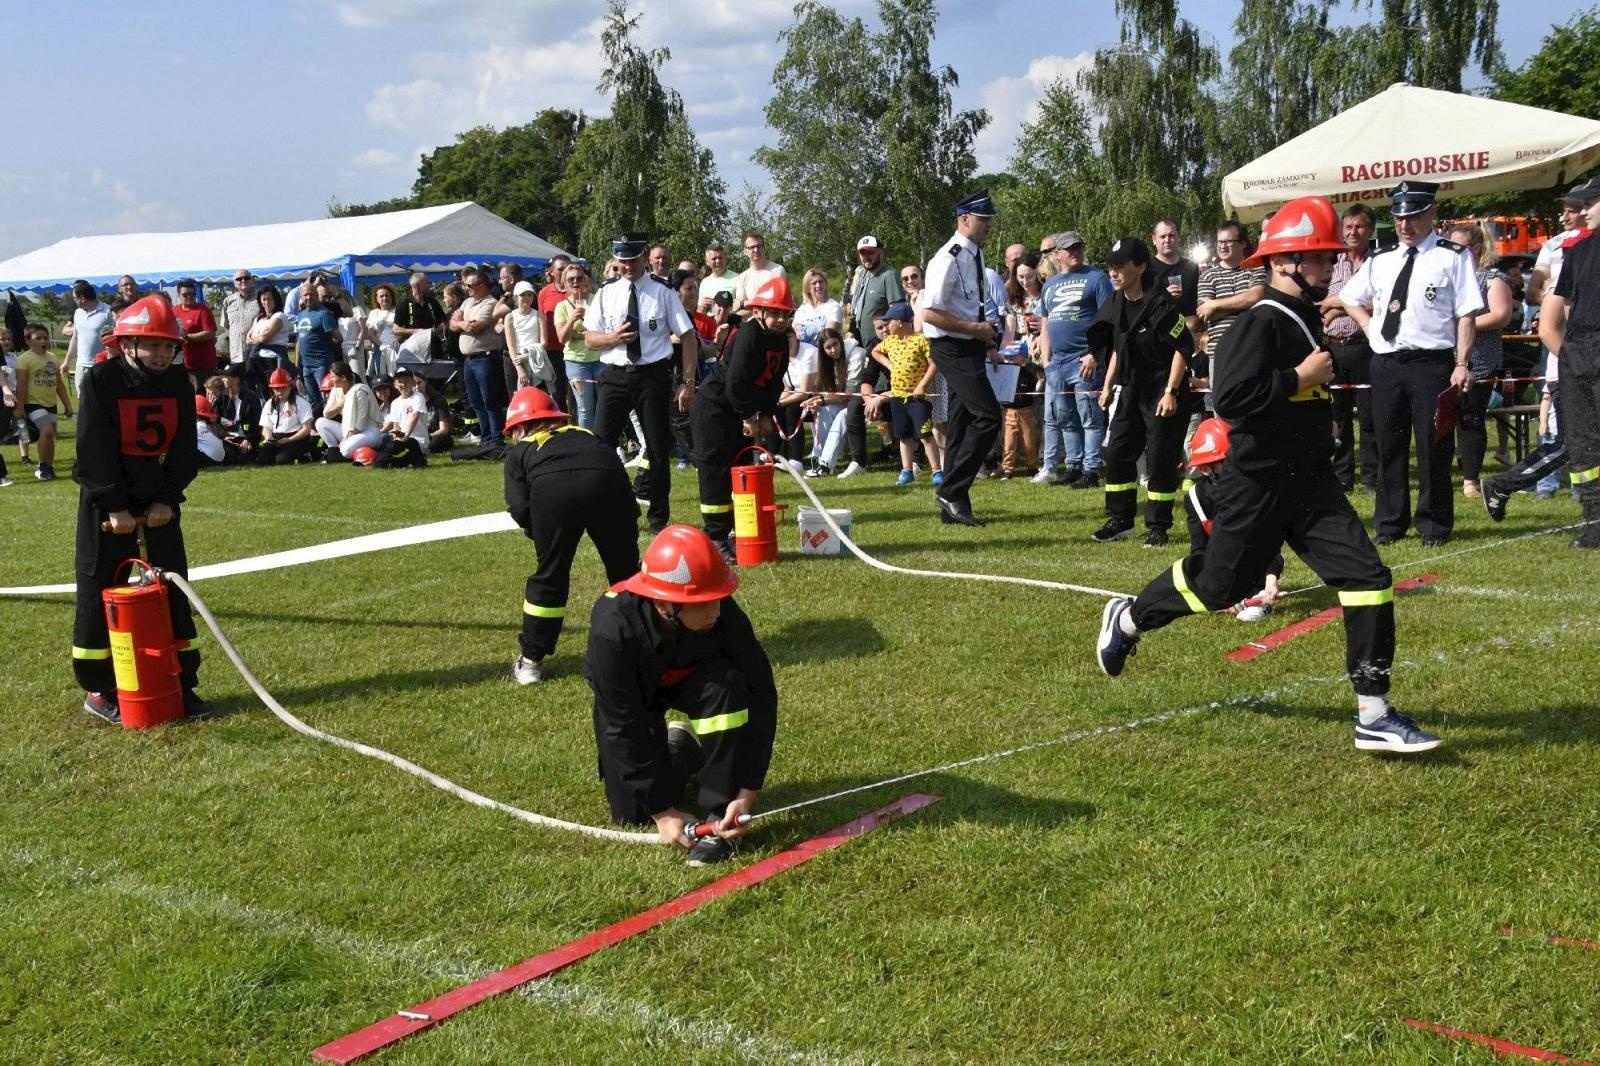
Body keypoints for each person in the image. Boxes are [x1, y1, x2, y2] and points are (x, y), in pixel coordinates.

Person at [1096, 195, 1441, 755]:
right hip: (1257, 483)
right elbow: (1230, 398)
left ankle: (1374, 714)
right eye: (1319, 257)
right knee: (1218, 587)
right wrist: (1298, 375)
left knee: (1369, 579)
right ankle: (1129, 619)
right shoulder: (1259, 321)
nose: (1330, 266)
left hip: (1309, 481)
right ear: (1285, 262)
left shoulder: (1304, 314)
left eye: (1329, 256)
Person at [584, 524, 778, 865]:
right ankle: (681, 750)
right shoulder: (612, 631)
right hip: (636, 699)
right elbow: (622, 725)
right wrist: (662, 812)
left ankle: (720, 815)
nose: (715, 611)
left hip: (699, 683)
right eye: (702, 605)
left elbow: (761, 694)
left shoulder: (722, 612)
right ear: (665, 603)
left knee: (728, 686)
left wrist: (747, 791)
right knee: (631, 812)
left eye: (717, 599)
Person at [72, 295, 211, 724]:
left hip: (158, 496)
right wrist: (114, 507)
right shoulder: (101, 382)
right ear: (126, 343)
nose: (161, 354)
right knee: (101, 589)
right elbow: (92, 451)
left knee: (173, 586)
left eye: (168, 346)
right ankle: (101, 689)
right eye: (151, 345)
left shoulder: (177, 383)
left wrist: (165, 499)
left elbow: (186, 450)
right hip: (105, 501)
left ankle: (181, 683)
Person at [1339, 180, 1484, 547]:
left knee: (1433, 444)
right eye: (1399, 217)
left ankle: (1433, 524)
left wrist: (1462, 363)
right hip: (1387, 362)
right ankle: (1390, 522)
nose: (1405, 225)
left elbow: (1467, 313)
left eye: (1414, 216)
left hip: (1431, 362)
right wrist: (1368, 324)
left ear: (1431, 214)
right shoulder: (1381, 258)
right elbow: (1349, 296)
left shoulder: (1452, 256)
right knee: (1389, 443)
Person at [502, 386, 640, 684]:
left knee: (550, 576)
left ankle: (531, 661)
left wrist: (538, 531)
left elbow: (518, 505)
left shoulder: (520, 450)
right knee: (626, 573)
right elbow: (619, 476)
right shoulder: (588, 435)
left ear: (522, 426)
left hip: (554, 492)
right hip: (609, 486)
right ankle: (642, 643)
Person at [585, 233, 700, 535]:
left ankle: (658, 519)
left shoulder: (662, 292)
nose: (628, 266)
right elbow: (590, 338)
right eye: (622, 261)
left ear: (645, 257)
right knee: (602, 447)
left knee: (658, 450)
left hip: (653, 377)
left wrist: (687, 381)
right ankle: (612, 509)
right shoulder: (606, 292)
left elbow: (688, 336)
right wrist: (613, 338)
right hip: (615, 376)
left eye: (633, 260)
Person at [1089, 236, 1195, 547]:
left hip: (1162, 388)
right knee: (1119, 451)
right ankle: (1120, 520)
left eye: (1120, 267)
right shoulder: (1117, 301)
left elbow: (1182, 348)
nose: (1113, 272)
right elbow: (1119, 349)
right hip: (1132, 388)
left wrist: (1172, 392)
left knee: (1160, 458)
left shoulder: (1161, 303)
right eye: (1111, 267)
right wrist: (1107, 386)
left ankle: (1158, 526)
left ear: (1141, 267)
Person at [1514, 175, 1600, 547]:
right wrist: (1569, 354)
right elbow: (1556, 307)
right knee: (1584, 445)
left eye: (1589, 203)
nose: (1581, 211)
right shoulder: (1577, 252)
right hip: (1579, 353)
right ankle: (1594, 523)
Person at [689, 278, 795, 560]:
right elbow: (735, 383)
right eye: (775, 313)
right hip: (715, 408)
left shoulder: (781, 340)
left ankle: (739, 533)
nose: (781, 319)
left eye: (785, 314)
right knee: (715, 472)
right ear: (759, 311)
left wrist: (767, 415)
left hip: (740, 409)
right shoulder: (749, 334)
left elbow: (775, 384)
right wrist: (749, 416)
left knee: (739, 471)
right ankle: (715, 538)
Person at [923, 190, 1003, 527]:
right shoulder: (949, 256)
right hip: (952, 346)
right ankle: (952, 490)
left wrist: (983, 334)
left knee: (961, 424)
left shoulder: (974, 253)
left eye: (989, 220)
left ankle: (954, 506)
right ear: (964, 219)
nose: (988, 226)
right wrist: (975, 328)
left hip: (969, 344)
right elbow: (929, 312)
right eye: (983, 220)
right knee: (988, 417)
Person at [1180, 417, 1283, 623]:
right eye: (1224, 464)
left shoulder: (1253, 491)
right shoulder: (1196, 499)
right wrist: (1221, 591)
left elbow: (1267, 542)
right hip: (1220, 565)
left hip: (1255, 564)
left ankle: (1257, 592)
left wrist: (1271, 580)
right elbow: (1200, 550)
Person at [1443, 222, 1516, 499]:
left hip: (1479, 362)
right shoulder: (1448, 277)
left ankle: (1470, 479)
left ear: (1476, 247)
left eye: (1459, 246)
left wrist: (1463, 324)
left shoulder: (1492, 278)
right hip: (1444, 359)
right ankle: (1445, 473)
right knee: (1444, 420)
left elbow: (1500, 315)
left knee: (1471, 420)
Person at [1036, 232, 1114, 488]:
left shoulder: (1097, 278)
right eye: (1069, 249)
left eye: (1078, 247)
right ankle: (1073, 465)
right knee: (1065, 417)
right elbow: (1045, 325)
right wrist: (1046, 361)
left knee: (1090, 416)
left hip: (1084, 360)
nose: (1075, 252)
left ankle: (1091, 470)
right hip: (1057, 363)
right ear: (1057, 254)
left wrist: (1095, 354)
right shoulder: (1049, 285)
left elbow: (1108, 321)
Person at [1320, 204, 1380, 494]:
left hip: (1365, 347)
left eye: (1359, 227)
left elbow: (1380, 302)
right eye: (1348, 227)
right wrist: (1345, 305)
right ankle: (1343, 477)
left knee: (1370, 417)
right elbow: (1321, 301)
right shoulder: (1331, 260)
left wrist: (1339, 306)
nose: (1353, 232)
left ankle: (1370, 478)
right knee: (1338, 417)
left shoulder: (1379, 262)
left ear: (1370, 230)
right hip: (1333, 348)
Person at [1194, 220, 1266, 404]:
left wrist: (1216, 304)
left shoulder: (1256, 269)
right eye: (1219, 242)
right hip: (1219, 353)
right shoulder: (1207, 275)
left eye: (1228, 241)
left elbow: (1256, 297)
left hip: (1251, 350)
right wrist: (1243, 304)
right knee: (1223, 409)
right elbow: (1205, 313)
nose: (1222, 246)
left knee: (1253, 408)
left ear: (1242, 243)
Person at [876, 301, 941, 486]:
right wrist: (889, 365)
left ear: (900, 322)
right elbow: (875, 351)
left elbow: (934, 363)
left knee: (925, 434)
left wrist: (922, 385)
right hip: (897, 396)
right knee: (903, 436)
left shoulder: (921, 340)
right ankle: (906, 470)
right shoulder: (890, 342)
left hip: (918, 398)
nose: (886, 326)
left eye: (889, 322)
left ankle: (937, 471)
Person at [452, 265, 509, 445]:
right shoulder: (467, 303)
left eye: (470, 286)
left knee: (489, 400)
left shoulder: (490, 303)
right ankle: (485, 438)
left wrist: (460, 322)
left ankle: (496, 437)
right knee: (476, 401)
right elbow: (452, 324)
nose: (466, 289)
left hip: (485, 358)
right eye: (465, 285)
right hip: (469, 360)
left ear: (483, 285)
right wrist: (461, 323)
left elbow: (475, 327)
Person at [14, 322, 74, 481]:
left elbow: (59, 384)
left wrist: (67, 404)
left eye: (45, 338)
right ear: (28, 341)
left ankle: (49, 466)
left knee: (50, 436)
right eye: (38, 338)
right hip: (33, 403)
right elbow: (21, 385)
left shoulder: (52, 357)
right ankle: (42, 467)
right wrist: (19, 407)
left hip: (50, 403)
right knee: (46, 431)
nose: (43, 341)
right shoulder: (24, 359)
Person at [555, 263, 599, 429]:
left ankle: (606, 443)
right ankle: (587, 447)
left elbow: (604, 329)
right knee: (585, 409)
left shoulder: (596, 300)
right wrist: (572, 319)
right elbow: (562, 338)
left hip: (599, 358)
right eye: (571, 279)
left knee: (603, 405)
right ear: (565, 284)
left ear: (585, 280)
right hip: (576, 362)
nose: (576, 282)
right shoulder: (562, 307)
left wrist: (579, 332)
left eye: (579, 278)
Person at [804, 328, 853, 477]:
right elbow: (827, 395)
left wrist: (821, 400)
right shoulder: (826, 365)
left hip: (858, 404)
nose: (833, 350)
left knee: (842, 416)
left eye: (835, 345)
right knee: (824, 410)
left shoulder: (854, 355)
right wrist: (815, 403)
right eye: (828, 347)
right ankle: (818, 458)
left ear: (841, 342)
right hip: (842, 402)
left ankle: (825, 464)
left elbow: (848, 394)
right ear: (823, 350)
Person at [291, 280, 342, 419]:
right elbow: (300, 341)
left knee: (328, 399)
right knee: (313, 401)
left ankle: (331, 425)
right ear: (301, 298)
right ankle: (317, 427)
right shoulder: (301, 315)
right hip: (306, 366)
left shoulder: (324, 313)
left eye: (312, 294)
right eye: (305, 295)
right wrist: (297, 365)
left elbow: (338, 338)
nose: (309, 297)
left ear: (317, 295)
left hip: (322, 364)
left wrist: (323, 345)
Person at [314, 360, 383, 462]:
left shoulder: (360, 390)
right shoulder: (336, 390)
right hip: (348, 431)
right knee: (320, 422)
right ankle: (333, 451)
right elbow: (327, 414)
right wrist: (342, 403)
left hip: (368, 432)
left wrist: (346, 440)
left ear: (343, 378)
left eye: (333, 377)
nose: (331, 380)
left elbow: (360, 424)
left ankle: (348, 454)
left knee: (345, 449)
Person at [1150, 217, 1201, 337]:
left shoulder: (1191, 267)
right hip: (1159, 335)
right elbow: (1140, 304)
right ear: (1154, 239)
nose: (1167, 240)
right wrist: (1164, 296)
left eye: (1171, 235)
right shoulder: (1146, 270)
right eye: (1162, 236)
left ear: (1178, 237)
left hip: (1190, 333)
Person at [255, 367, 316, 465]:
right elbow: (266, 427)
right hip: (275, 437)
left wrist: (289, 440)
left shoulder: (301, 403)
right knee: (262, 460)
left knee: (282, 461)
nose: (280, 391)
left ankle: (303, 455)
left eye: (283, 387)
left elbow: (306, 429)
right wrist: (269, 438)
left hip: (294, 437)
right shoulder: (269, 404)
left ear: (290, 387)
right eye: (277, 388)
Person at [536, 255, 573, 413]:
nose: (564, 272)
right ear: (551, 272)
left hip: (576, 349)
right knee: (558, 393)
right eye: (560, 269)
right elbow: (540, 321)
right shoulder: (544, 293)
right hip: (553, 350)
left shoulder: (578, 290)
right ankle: (563, 429)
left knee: (578, 392)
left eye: (567, 268)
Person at [372, 366, 428, 468]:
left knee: (394, 458)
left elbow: (414, 417)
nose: (403, 384)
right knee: (383, 460)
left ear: (412, 383)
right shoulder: (395, 403)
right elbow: (396, 426)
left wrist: (404, 437)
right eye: (399, 382)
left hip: (418, 441)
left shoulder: (418, 397)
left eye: (406, 381)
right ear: (395, 385)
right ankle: (418, 459)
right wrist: (397, 438)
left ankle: (418, 457)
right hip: (402, 440)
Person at [506, 280, 554, 392]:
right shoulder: (510, 317)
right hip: (517, 361)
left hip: (536, 360)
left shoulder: (539, 315)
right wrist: (520, 370)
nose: (527, 297)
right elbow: (511, 346)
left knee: (540, 394)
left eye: (530, 294)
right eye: (523, 295)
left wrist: (529, 356)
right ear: (516, 297)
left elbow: (544, 342)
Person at [394, 271, 446, 365]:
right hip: (413, 347)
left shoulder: (432, 302)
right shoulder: (403, 304)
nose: (428, 285)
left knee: (436, 375)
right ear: (417, 286)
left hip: (433, 346)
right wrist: (416, 331)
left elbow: (443, 321)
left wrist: (437, 329)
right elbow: (396, 329)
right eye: (425, 283)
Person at [68, 281, 115, 385]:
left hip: (101, 364)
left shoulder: (108, 311)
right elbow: (75, 338)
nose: (74, 301)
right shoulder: (77, 313)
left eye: (75, 298)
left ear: (82, 298)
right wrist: (67, 362)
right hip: (81, 366)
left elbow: (115, 338)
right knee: (82, 399)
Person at [171, 280, 218, 383]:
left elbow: (209, 333)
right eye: (185, 294)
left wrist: (186, 337)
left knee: (201, 395)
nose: (189, 297)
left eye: (192, 294)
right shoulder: (174, 311)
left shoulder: (203, 310)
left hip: (203, 364)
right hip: (181, 363)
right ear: (179, 295)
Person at [218, 270, 260, 376]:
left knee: (261, 387)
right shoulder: (228, 301)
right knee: (240, 388)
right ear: (234, 283)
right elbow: (227, 327)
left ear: (253, 280)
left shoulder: (261, 298)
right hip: (236, 355)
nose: (243, 280)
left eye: (246, 278)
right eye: (239, 279)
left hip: (258, 353)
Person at [732, 233, 786, 314]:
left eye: (759, 246)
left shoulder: (777, 270)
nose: (756, 250)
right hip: (749, 323)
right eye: (752, 247)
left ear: (764, 248)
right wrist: (746, 305)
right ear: (745, 251)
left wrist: (746, 304)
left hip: (771, 321)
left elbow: (772, 303)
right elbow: (739, 307)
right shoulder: (742, 277)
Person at [698, 242, 739, 310]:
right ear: (707, 262)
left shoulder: (737, 278)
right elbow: (699, 312)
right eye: (714, 259)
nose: (718, 261)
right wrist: (703, 307)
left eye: (720, 258)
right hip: (709, 319)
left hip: (730, 319)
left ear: (725, 258)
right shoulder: (704, 283)